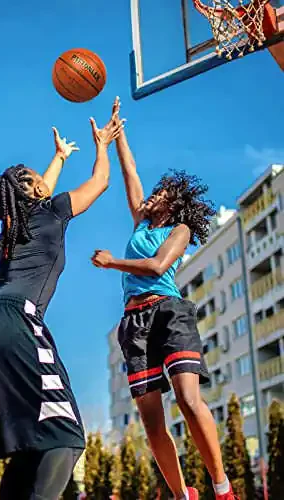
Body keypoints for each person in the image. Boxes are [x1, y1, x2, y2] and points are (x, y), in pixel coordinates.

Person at [0, 106, 124, 500]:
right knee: (64, 436)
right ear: (31, 193)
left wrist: (59, 158)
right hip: (14, 320)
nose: (43, 182)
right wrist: (102, 146)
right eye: (35, 180)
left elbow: (38, 189)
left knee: (33, 444)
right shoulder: (52, 211)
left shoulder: (12, 228)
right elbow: (100, 182)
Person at [91, 98, 237, 500]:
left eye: (160, 193)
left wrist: (112, 262)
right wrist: (116, 135)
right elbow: (130, 172)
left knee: (188, 400)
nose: (152, 195)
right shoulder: (141, 222)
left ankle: (222, 488)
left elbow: (157, 267)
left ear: (173, 204)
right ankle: (182, 495)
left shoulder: (180, 230)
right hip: (134, 324)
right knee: (152, 424)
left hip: (169, 313)